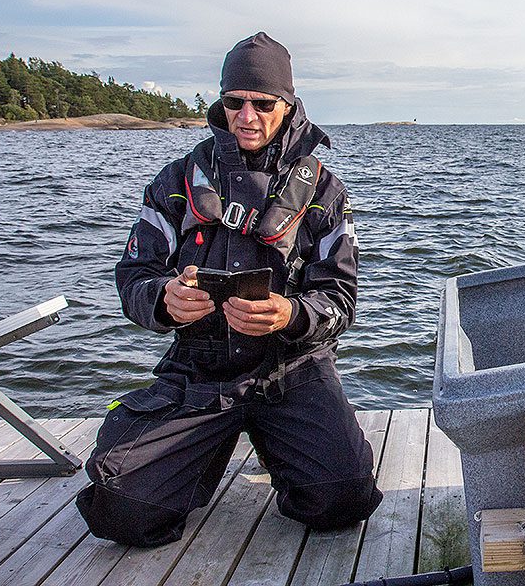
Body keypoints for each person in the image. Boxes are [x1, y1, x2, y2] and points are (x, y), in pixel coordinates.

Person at [76, 32, 382, 547]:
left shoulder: (326, 192)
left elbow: (341, 299)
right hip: (198, 371)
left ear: (287, 105)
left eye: (263, 104)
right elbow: (132, 277)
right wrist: (163, 300)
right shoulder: (174, 181)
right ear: (221, 103)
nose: (248, 115)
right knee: (122, 512)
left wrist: (291, 314)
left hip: (293, 369)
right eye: (235, 102)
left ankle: (283, 443)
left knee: (342, 500)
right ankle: (202, 447)